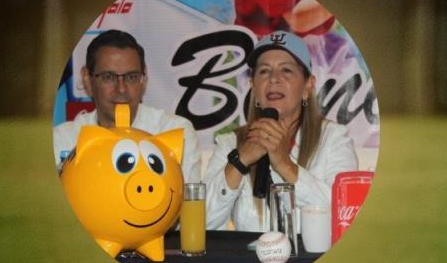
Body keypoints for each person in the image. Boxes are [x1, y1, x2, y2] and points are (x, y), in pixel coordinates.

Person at [204, 30, 357, 232]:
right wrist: (239, 162)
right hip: (248, 262)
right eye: (264, 71)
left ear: (307, 86)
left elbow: (344, 218)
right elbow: (201, 223)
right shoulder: (230, 143)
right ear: (254, 88)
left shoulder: (334, 138)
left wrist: (285, 165)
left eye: (286, 70)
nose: (274, 79)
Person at [53, 30, 200, 183]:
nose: (121, 89)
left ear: (144, 78)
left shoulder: (174, 132)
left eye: (131, 77)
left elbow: (189, 204)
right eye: (108, 77)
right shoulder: (65, 139)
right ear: (87, 80)